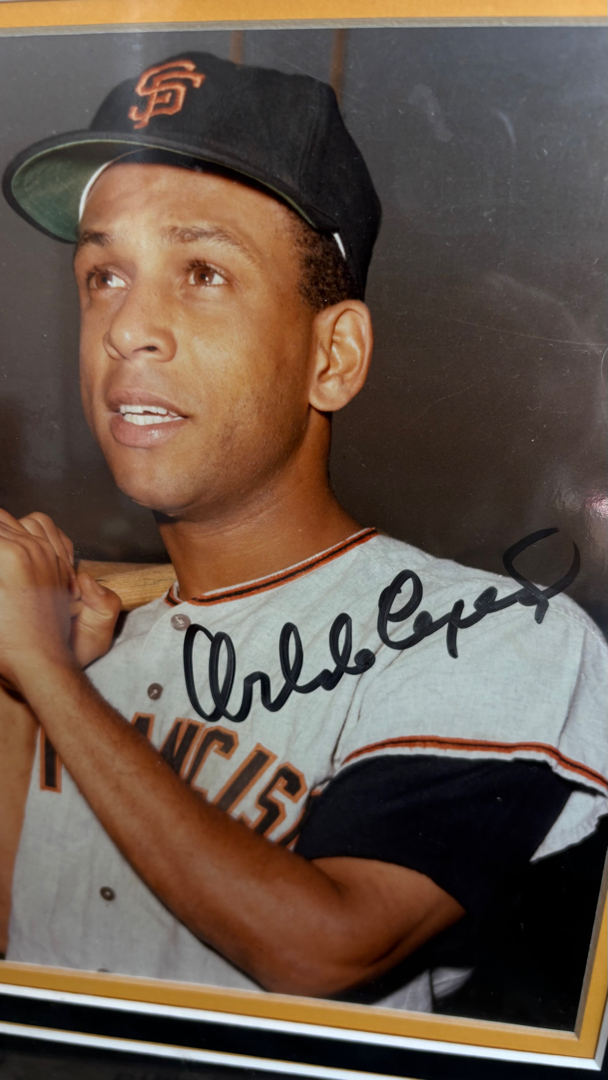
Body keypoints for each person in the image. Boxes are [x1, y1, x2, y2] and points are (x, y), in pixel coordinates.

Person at [0, 51, 606, 1014]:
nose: (126, 329)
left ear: (334, 356)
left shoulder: (493, 635)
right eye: (104, 275)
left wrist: (47, 682)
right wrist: (26, 690)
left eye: (202, 272)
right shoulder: (78, 640)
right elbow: (22, 959)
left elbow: (328, 949)